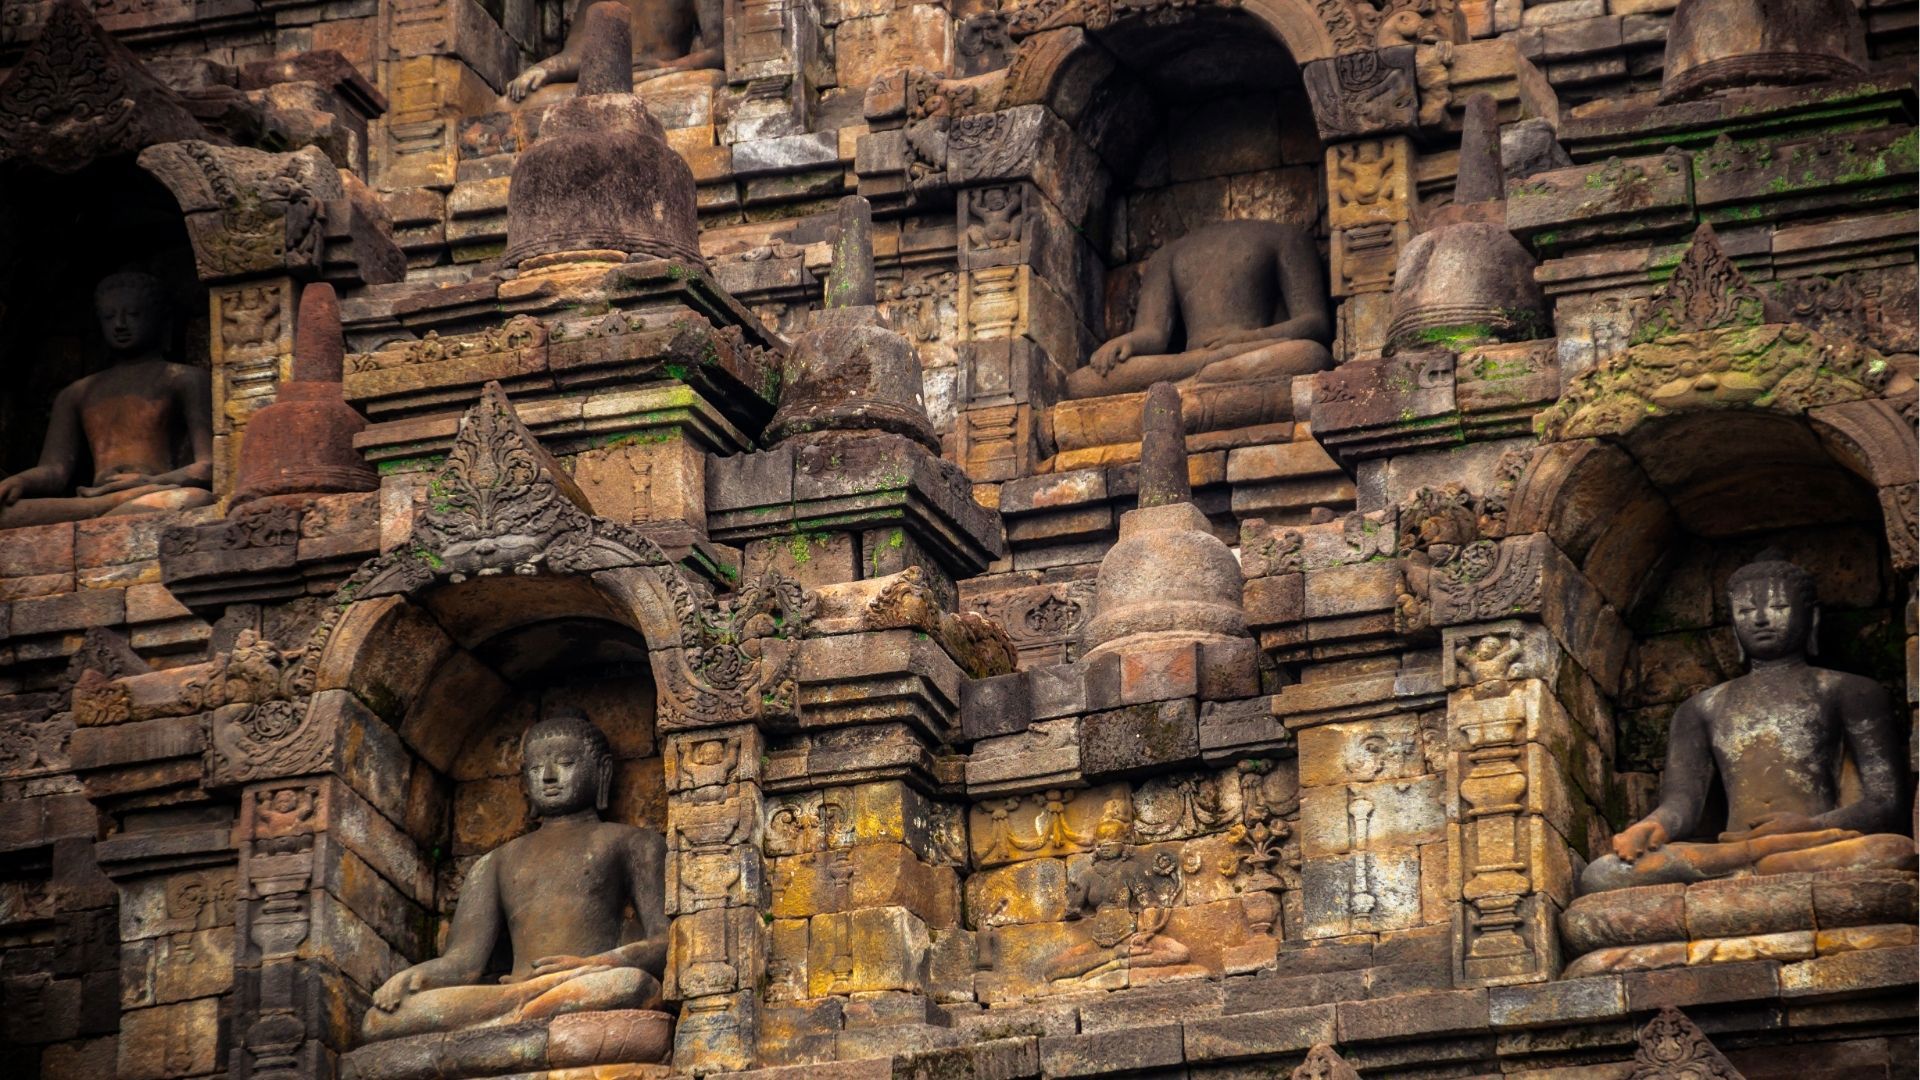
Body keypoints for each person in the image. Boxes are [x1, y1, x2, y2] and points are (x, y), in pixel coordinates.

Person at [1579, 553, 1915, 894]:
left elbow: (1884, 802)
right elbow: (1683, 805)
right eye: (1744, 611)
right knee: (1603, 874)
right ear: (1733, 627)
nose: (1760, 620)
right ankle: (1761, 856)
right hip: (1733, 848)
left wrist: (1809, 825)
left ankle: (1763, 861)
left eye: (1778, 607)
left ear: (1811, 618)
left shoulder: (1849, 690)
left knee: (1892, 850)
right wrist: (1651, 827)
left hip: (1816, 842)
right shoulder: (1701, 708)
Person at [363, 709, 669, 1040]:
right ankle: (522, 1010)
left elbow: (665, 943)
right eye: (537, 769)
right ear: (525, 780)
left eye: (566, 764)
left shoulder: (634, 842)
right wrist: (411, 979)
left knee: (629, 985)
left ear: (601, 772)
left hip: (585, 981)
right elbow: (464, 963)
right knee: (378, 1021)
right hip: (515, 992)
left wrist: (594, 964)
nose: (549, 777)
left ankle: (514, 1019)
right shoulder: (495, 862)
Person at [0, 271, 213, 527]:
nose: (120, 324)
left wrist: (146, 482)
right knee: (6, 514)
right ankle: (104, 510)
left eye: (133, 315)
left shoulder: (183, 378)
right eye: (109, 316)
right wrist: (19, 481)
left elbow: (208, 466)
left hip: (155, 490)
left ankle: (105, 511)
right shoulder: (76, 393)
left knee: (193, 499)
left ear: (160, 319)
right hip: (92, 498)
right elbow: (55, 471)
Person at [1067, 220, 1333, 399]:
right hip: (1190, 360)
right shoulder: (1166, 255)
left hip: (1251, 350)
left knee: (1309, 355)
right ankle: (1204, 380)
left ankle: (1178, 391)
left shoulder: (1285, 236)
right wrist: (1125, 341)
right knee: (1081, 383)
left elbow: (1315, 323)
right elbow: (1154, 333)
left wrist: (1248, 338)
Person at [506, 0, 722, 102]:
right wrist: (545, 69)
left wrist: (667, 66)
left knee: (710, 82)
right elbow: (580, 54)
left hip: (660, 79)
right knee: (507, 106)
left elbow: (721, 52)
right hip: (602, 86)